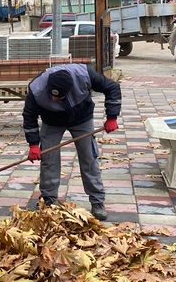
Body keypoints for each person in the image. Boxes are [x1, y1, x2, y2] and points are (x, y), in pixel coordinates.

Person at [23, 64, 121, 221]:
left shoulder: (85, 75)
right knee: (49, 159)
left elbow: (112, 88)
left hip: (81, 118)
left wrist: (112, 117)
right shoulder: (36, 89)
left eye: (59, 97)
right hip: (51, 121)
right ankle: (49, 200)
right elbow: (29, 117)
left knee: (89, 158)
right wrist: (33, 144)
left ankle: (97, 202)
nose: (55, 99)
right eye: (52, 96)